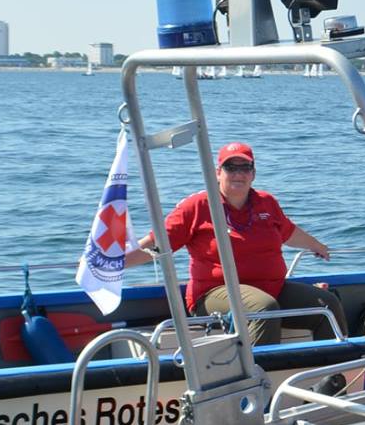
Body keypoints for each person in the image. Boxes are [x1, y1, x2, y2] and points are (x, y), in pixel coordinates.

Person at [132, 141, 345, 345]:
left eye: (245, 167)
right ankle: (257, 376)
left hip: (271, 288)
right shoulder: (197, 206)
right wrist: (111, 263)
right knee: (263, 308)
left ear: (253, 173)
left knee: (326, 303)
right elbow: (156, 243)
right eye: (230, 167)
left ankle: (335, 375)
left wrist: (316, 246)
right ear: (218, 172)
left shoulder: (266, 202)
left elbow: (288, 233)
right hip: (214, 293)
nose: (238, 174)